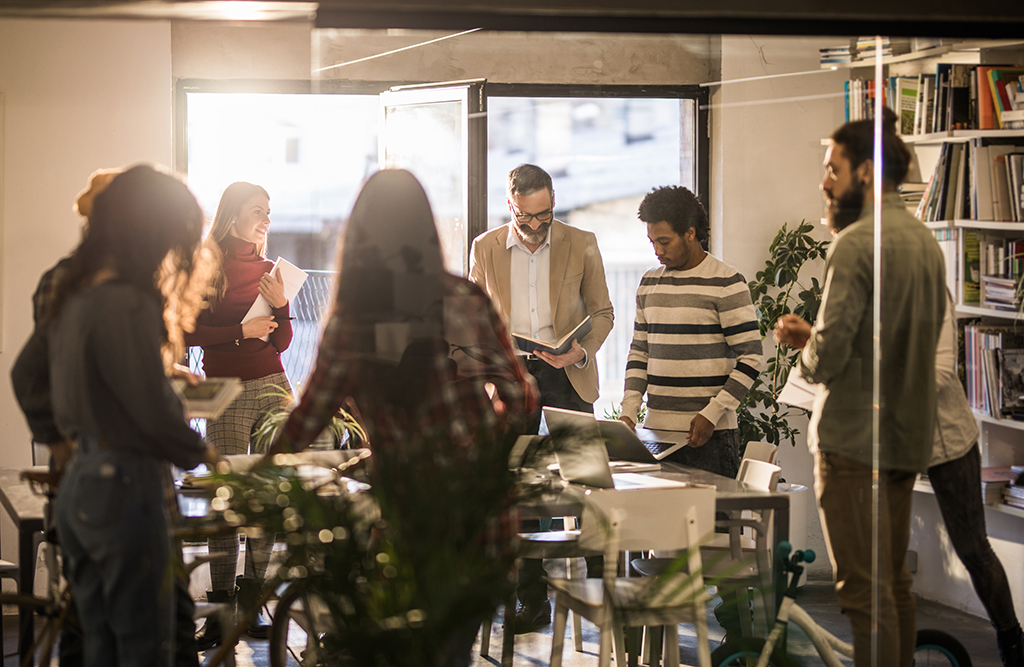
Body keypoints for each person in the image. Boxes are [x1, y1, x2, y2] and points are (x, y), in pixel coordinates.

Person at [10, 167, 204, 667]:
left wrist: (64, 447)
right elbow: (150, 408)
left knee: (99, 648)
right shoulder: (127, 299)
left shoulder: (76, 292)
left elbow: (37, 373)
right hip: (123, 487)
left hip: (81, 487)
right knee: (145, 651)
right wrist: (201, 452)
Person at [775, 108, 947, 667]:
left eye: (832, 169)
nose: (823, 180)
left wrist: (805, 339)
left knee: (860, 591)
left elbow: (828, 359)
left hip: (852, 443)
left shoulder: (854, 244)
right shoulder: (924, 241)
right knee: (893, 583)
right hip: (904, 439)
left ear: (867, 172)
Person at [468, 163, 614, 633]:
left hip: (568, 372)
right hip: (512, 383)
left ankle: (606, 594)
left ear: (553, 202)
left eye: (545, 216)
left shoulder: (582, 241)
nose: (536, 227)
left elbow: (603, 311)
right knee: (519, 490)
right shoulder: (486, 247)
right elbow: (473, 317)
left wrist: (581, 350)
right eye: (526, 218)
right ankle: (532, 600)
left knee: (588, 484)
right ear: (510, 206)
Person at [184, 181, 293, 647]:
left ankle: (251, 607)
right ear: (232, 216)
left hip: (274, 387)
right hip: (225, 392)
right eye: (257, 211)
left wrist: (283, 306)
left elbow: (281, 342)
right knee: (227, 501)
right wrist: (238, 331)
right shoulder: (206, 265)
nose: (266, 219)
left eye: (268, 211)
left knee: (269, 497)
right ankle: (219, 612)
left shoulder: (271, 269)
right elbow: (188, 329)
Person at [618, 185, 763, 478]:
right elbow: (639, 354)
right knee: (661, 523)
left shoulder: (727, 282)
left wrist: (713, 413)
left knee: (713, 524)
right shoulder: (649, 283)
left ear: (690, 233)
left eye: (664, 241)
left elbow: (752, 359)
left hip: (709, 437)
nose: (658, 251)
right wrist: (628, 412)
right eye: (652, 242)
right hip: (654, 435)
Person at [928, 290, 1024, 667]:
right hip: (899, 439)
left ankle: (1012, 643)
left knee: (972, 548)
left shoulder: (927, 288)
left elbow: (935, 373)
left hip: (949, 439)